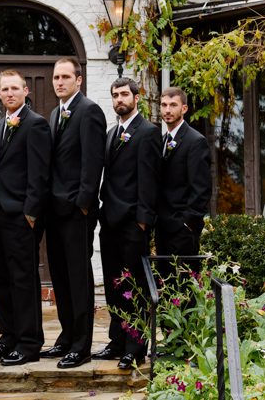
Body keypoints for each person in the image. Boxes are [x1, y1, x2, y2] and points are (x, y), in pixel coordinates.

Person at [40, 57, 106, 368]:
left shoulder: (89, 111)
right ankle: (66, 336)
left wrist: (82, 204)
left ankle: (82, 345)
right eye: (56, 77)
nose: (60, 82)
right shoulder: (55, 113)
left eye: (66, 77)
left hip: (76, 212)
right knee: (61, 278)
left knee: (78, 279)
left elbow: (93, 164)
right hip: (53, 211)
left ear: (78, 80)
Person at [0, 70, 52, 367]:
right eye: (4, 89)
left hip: (21, 217)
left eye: (15, 88)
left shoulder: (36, 124)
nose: (9, 93)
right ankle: (8, 337)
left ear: (26, 91)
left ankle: (29, 343)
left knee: (23, 280)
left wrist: (31, 215)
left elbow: (40, 173)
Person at [95, 77, 160, 370]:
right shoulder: (111, 133)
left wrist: (143, 222)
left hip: (133, 224)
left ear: (136, 97)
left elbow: (149, 180)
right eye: (115, 95)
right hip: (109, 222)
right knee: (112, 285)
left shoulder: (147, 132)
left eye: (124, 94)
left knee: (132, 287)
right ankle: (117, 340)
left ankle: (134, 346)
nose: (119, 99)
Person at [155, 87, 212, 275]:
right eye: (164, 105)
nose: (167, 110)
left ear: (184, 109)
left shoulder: (195, 141)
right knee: (167, 287)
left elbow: (201, 189)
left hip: (183, 232)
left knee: (185, 289)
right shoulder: (163, 140)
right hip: (162, 229)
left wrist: (188, 225)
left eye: (173, 105)